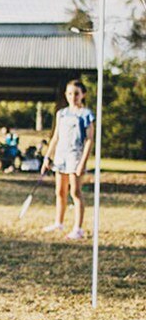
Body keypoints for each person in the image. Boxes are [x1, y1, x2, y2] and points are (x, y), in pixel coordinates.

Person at [40, 79, 95, 240]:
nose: (73, 97)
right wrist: (47, 157)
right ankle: (59, 222)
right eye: (70, 93)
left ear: (83, 94)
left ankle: (78, 229)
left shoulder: (86, 114)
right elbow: (55, 137)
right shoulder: (61, 113)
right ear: (66, 94)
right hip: (60, 156)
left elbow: (90, 139)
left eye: (76, 93)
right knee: (60, 191)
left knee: (75, 192)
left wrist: (82, 162)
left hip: (75, 156)